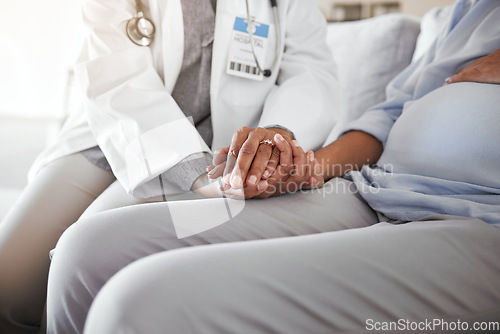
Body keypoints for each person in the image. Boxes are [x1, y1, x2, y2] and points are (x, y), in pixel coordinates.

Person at [45, 1, 500, 333]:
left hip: (473, 212)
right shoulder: (470, 11)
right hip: (368, 186)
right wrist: (306, 169)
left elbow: (311, 77)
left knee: (136, 303)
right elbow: (388, 114)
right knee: (86, 250)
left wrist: (279, 138)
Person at [0, 0, 339, 333]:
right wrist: (195, 172)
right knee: (8, 281)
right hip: (116, 129)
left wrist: (279, 136)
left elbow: (312, 73)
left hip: (224, 150)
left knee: (81, 256)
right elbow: (113, 76)